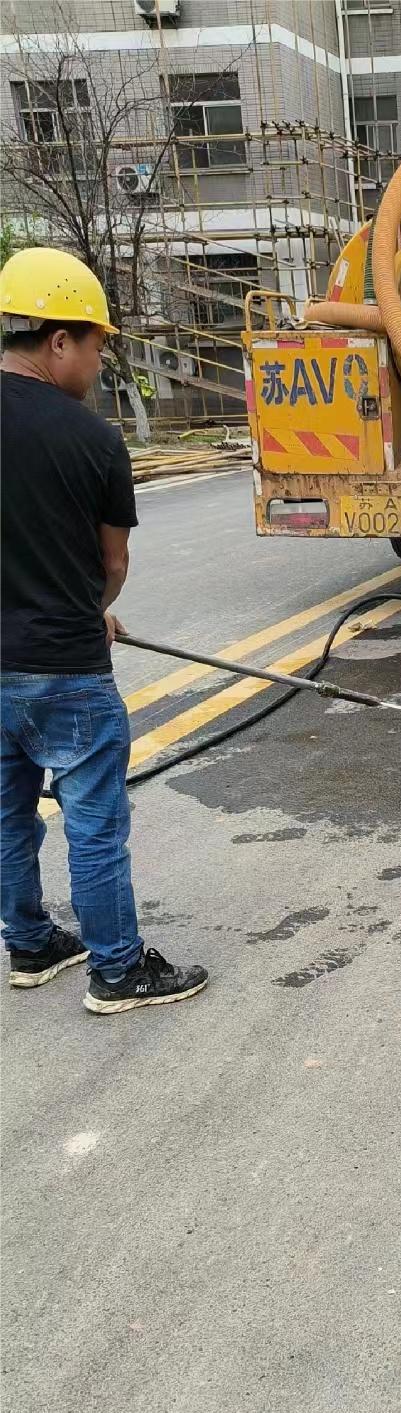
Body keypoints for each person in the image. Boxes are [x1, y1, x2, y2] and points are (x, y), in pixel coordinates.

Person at [0, 247, 208, 1014]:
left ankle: (29, 944)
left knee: (5, 811)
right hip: (64, 666)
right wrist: (90, 604)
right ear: (58, 340)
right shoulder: (92, 439)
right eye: (94, 344)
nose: (97, 361)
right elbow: (110, 561)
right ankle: (117, 970)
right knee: (91, 821)